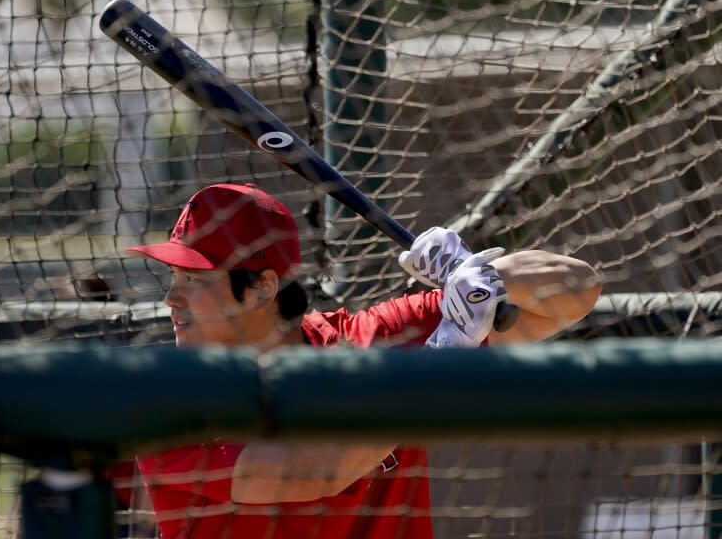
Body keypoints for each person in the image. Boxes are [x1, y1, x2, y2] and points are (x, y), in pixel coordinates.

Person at [120, 183, 602, 538]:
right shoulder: (166, 408)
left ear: (263, 288)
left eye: (196, 281)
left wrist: (477, 276)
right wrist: (438, 362)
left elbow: (578, 288)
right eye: (173, 277)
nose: (171, 299)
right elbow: (317, 470)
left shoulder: (367, 340)